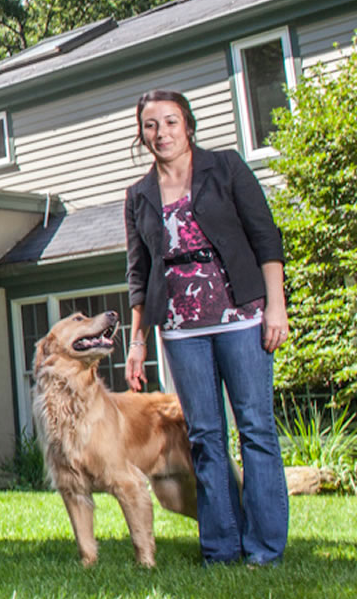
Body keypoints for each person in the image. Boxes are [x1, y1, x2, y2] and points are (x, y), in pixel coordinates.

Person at [121, 89, 290, 567]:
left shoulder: (227, 167)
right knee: (204, 437)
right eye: (151, 125)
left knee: (256, 429)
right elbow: (139, 273)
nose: (162, 133)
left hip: (241, 315)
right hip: (179, 328)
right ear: (142, 134)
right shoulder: (139, 196)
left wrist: (275, 307)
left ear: (188, 126)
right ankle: (221, 549)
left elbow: (265, 237)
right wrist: (137, 343)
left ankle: (264, 549)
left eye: (171, 122)